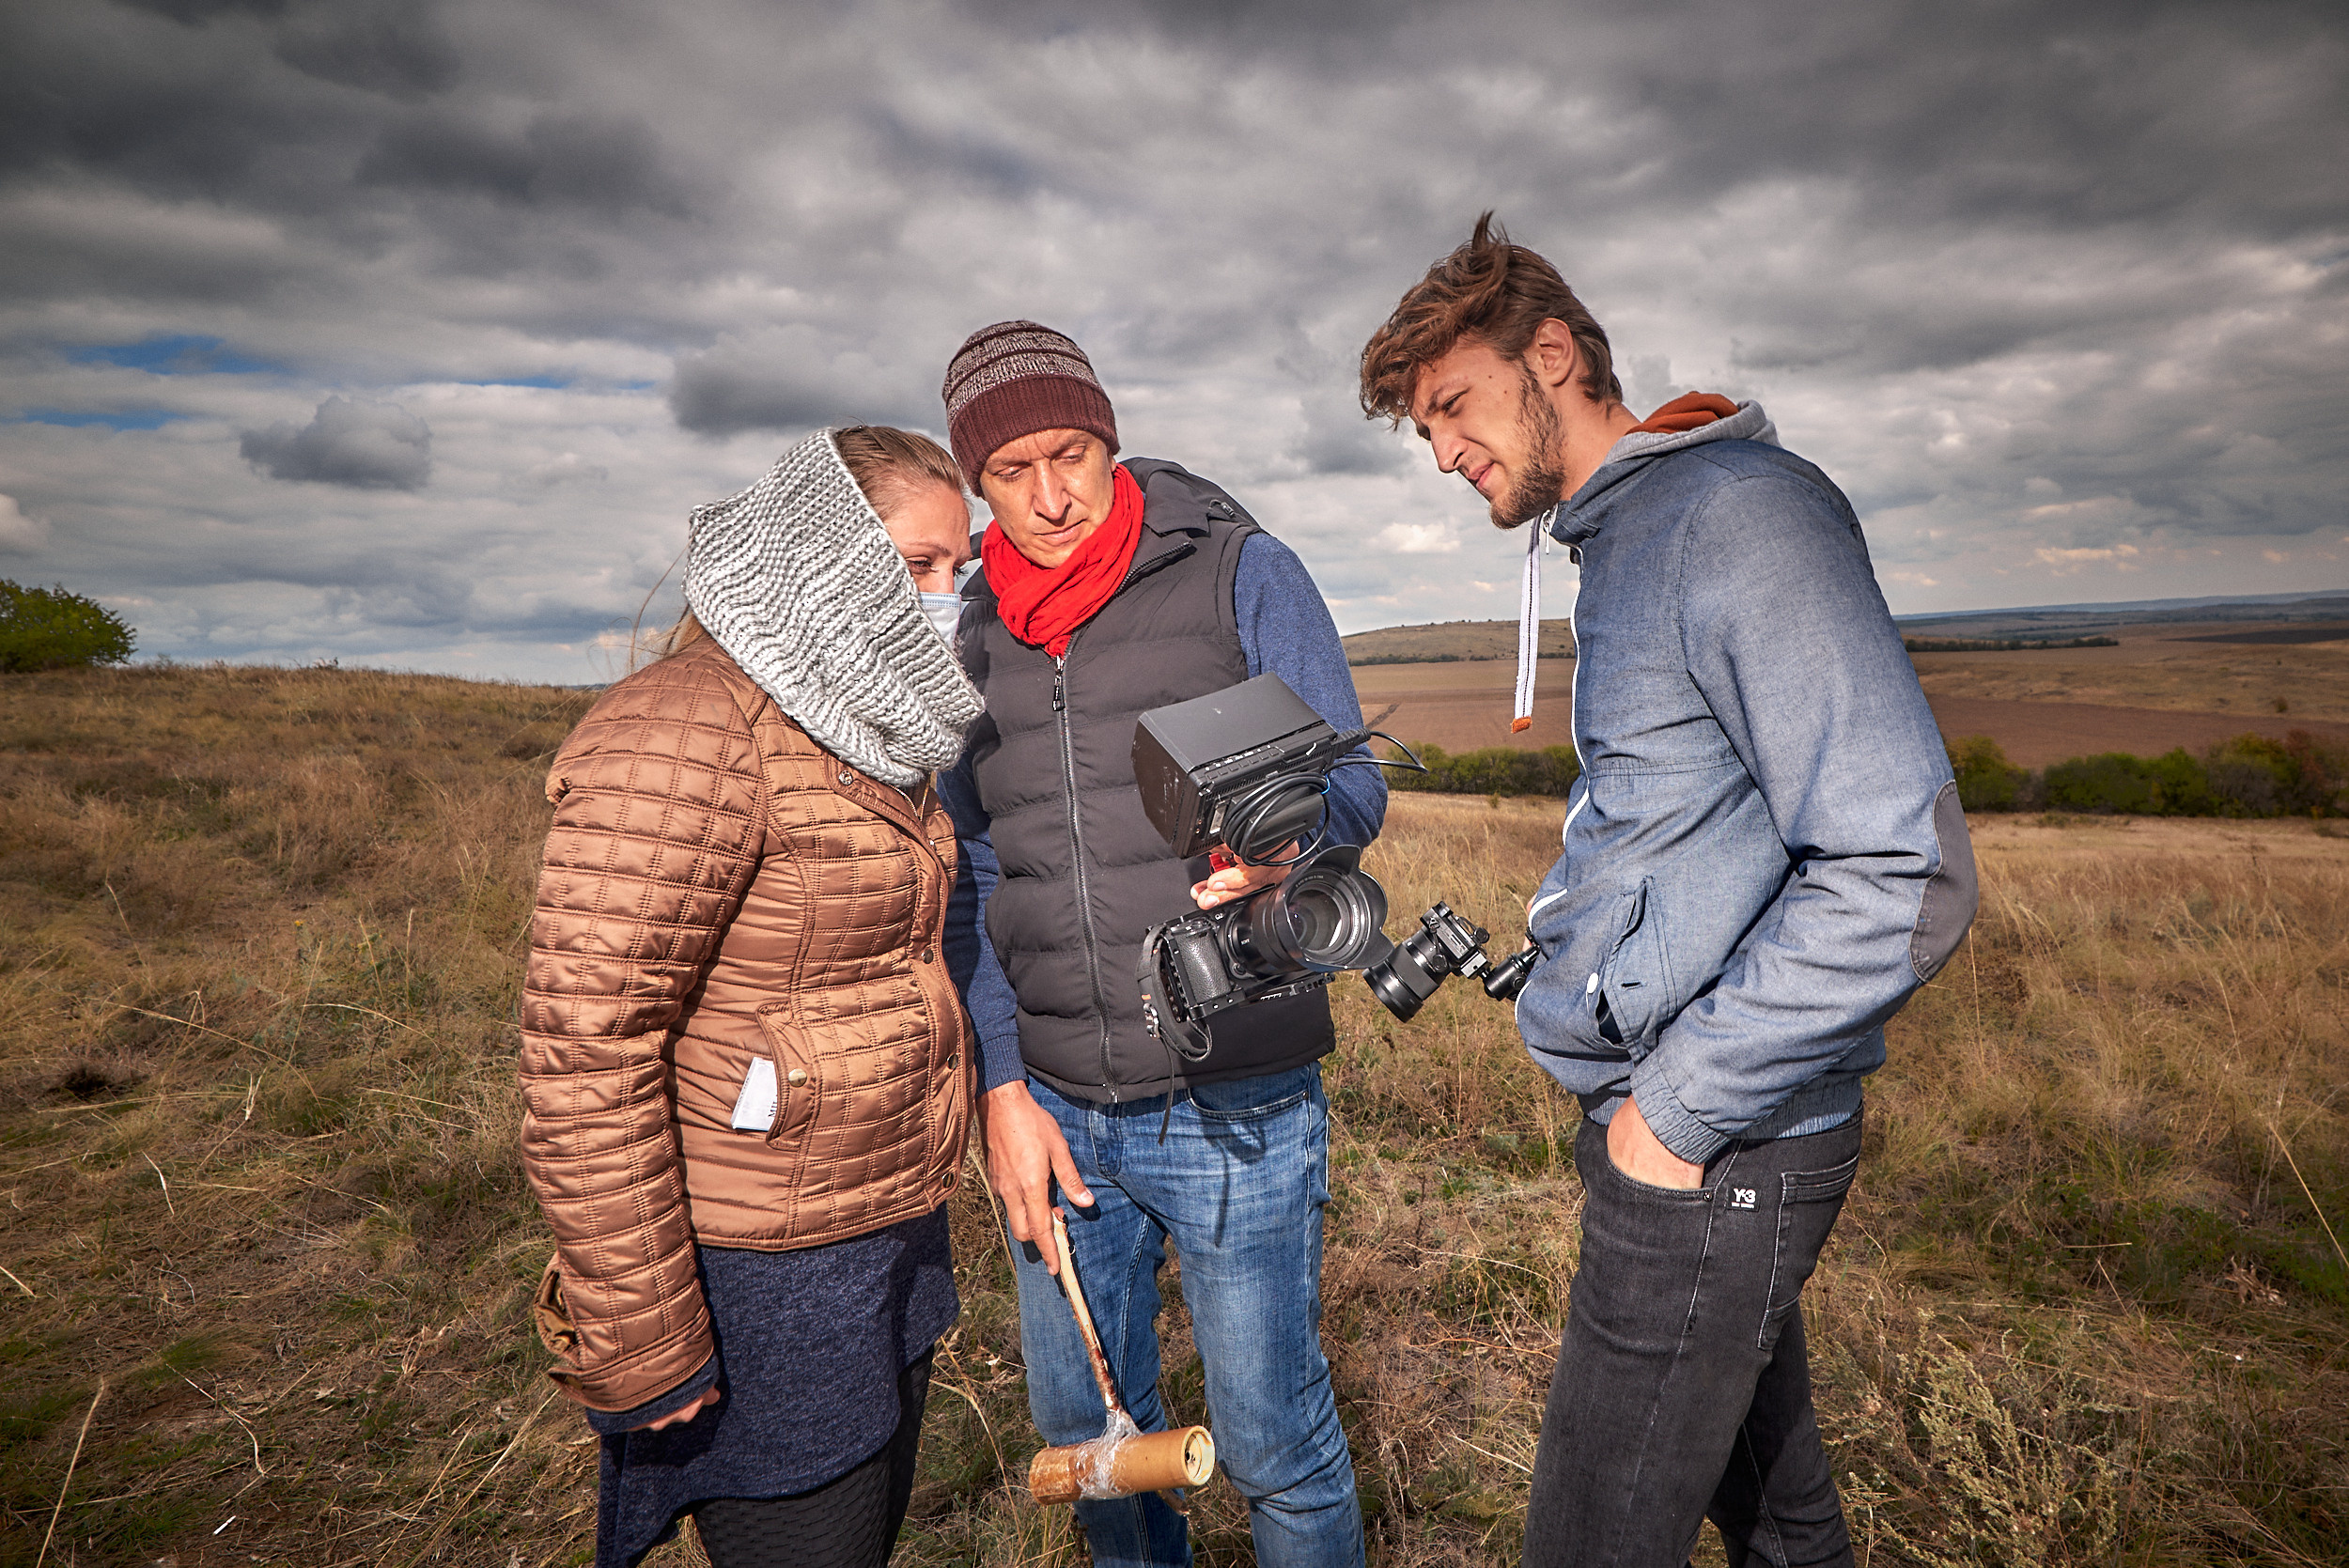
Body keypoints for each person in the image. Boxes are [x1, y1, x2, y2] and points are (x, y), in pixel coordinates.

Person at [1358, 217, 1979, 1568]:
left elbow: (1904, 866)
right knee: (1781, 1523)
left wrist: (1673, 1114)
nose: (1445, 453)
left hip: (1721, 1145)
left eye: (1454, 405)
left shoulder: (1733, 517)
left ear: (1553, 354)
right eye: (1425, 432)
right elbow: (1683, 827)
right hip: (1687, 1128)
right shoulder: (1629, 538)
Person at [934, 321, 1383, 1568]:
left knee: (1274, 1443)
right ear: (978, 484)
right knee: (1091, 1443)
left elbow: (1352, 784)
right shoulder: (975, 629)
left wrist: (1287, 844)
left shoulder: (1240, 571)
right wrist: (1003, 1087)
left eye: (1070, 454)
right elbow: (978, 866)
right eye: (1011, 471)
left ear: (1110, 439)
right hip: (1056, 1113)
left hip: (1235, 1093)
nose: (1050, 495)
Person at [519, 426, 987, 1568]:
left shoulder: (864, 725)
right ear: (822, 563)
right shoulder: (685, 728)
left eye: (958, 566)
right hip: (757, 1276)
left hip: (880, 1235)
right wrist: (643, 1335)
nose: (946, 596)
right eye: (917, 564)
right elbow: (587, 1046)